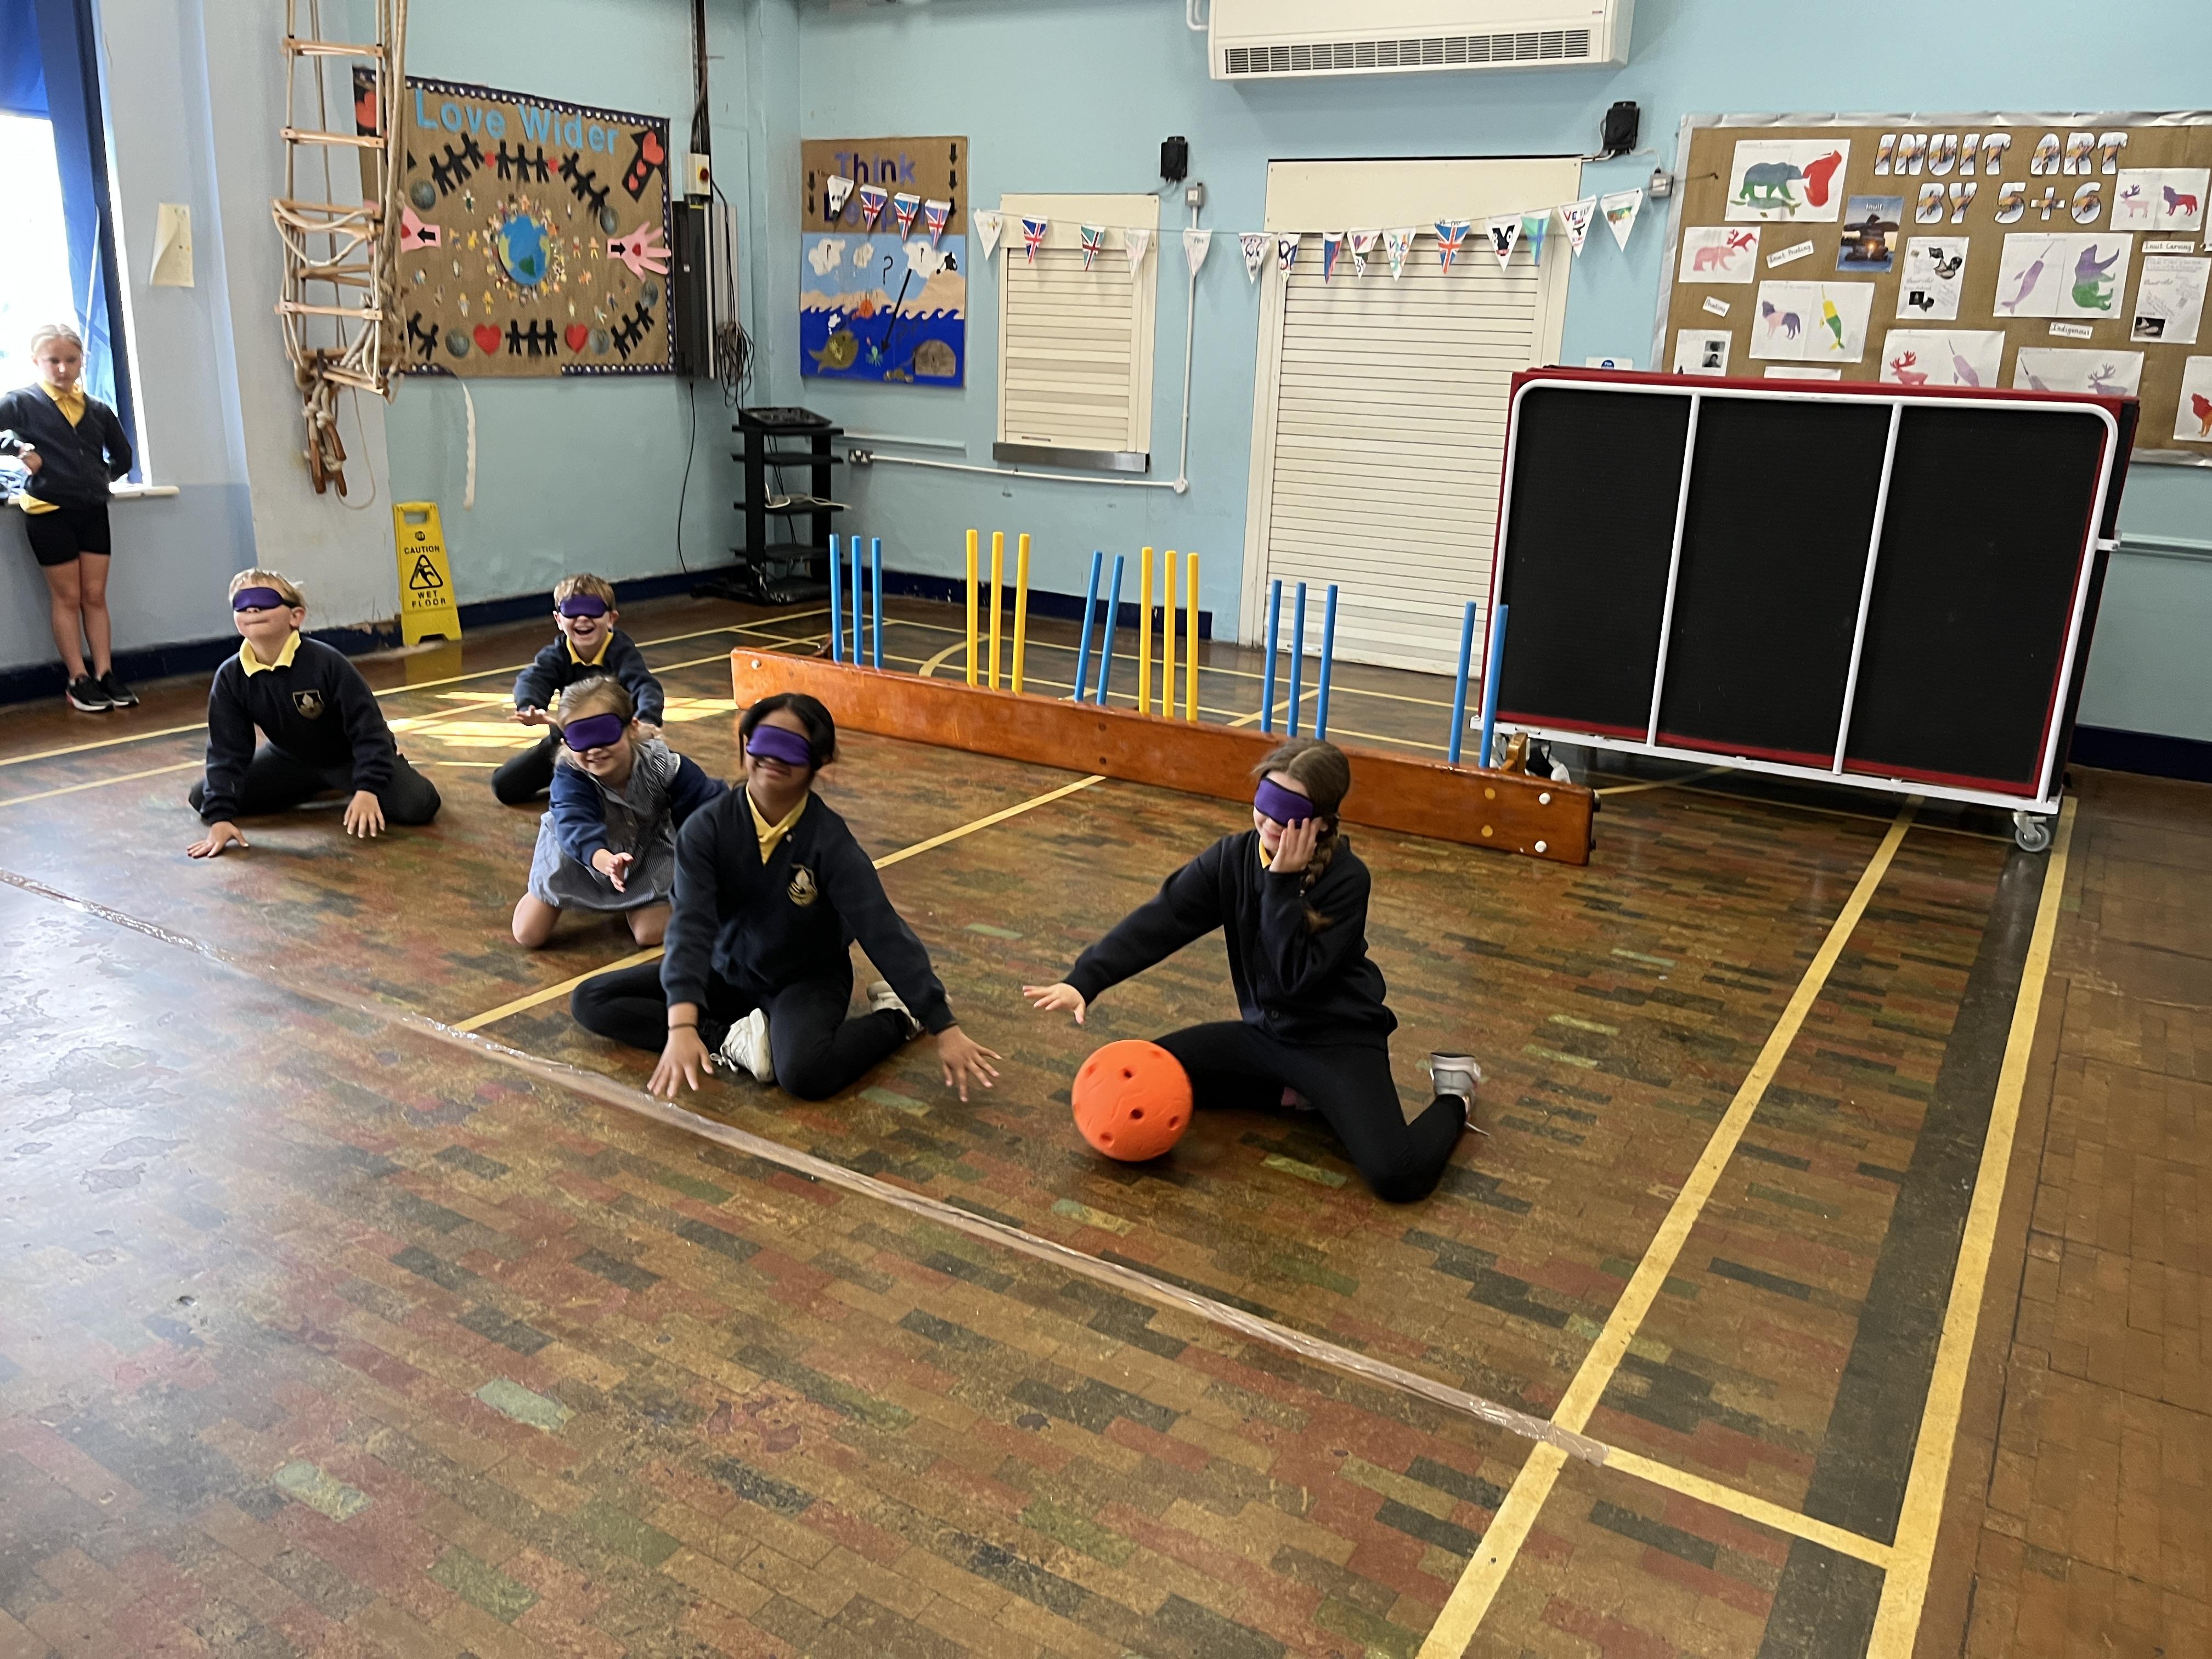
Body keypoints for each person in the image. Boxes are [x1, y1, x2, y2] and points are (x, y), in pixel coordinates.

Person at [1023, 738, 1480, 1203]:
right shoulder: (1232, 858)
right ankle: (1299, 1095)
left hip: (1336, 1044)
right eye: (1265, 804)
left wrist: (1281, 883)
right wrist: (1085, 981)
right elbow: (1164, 918)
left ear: (1322, 823)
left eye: (1288, 813)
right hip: (1265, 1036)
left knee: (1397, 1176)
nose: (1270, 821)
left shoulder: (1347, 879)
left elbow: (1293, 979)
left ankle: (1455, 1092)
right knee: (1151, 1075)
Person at [571, 692, 1001, 1103]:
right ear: (745, 746)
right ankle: (730, 1038)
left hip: (805, 979)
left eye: (791, 748)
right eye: (764, 743)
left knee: (804, 1074)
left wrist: (943, 1023)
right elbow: (690, 929)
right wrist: (682, 1025)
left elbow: (882, 929)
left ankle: (898, 1017)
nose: (773, 758)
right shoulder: (707, 829)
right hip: (727, 970)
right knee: (592, 1000)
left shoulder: (830, 842)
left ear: (820, 762)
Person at [185, 569, 442, 856]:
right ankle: (316, 783)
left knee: (419, 804)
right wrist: (221, 817)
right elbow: (226, 749)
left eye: (263, 601)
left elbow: (370, 730)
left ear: (295, 616)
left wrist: (368, 788)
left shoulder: (327, 663)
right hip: (290, 760)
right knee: (203, 798)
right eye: (242, 605)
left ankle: (344, 781)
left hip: (349, 759)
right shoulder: (231, 677)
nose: (252, 610)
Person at [512, 674, 723, 949]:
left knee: (650, 934)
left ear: (632, 728)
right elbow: (574, 822)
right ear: (566, 743)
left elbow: (707, 807)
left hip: (643, 855)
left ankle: (637, 902)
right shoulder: (571, 775)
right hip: (579, 858)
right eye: (580, 737)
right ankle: (546, 892)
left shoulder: (662, 765)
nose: (594, 748)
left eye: (605, 732)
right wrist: (604, 860)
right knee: (527, 934)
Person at [0, 323, 137, 712]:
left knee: (95, 596)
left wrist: (97, 479)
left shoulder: (97, 409)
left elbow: (123, 457)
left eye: (71, 360)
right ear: (36, 362)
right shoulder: (21, 402)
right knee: (68, 597)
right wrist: (19, 449)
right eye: (53, 361)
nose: (62, 369)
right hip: (48, 512)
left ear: (82, 361)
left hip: (91, 510)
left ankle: (105, 673)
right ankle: (78, 678)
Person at [494, 574, 663, 805]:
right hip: (570, 742)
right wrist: (530, 705)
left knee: (650, 791)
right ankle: (577, 781)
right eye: (572, 611)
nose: (583, 618)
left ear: (611, 618)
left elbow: (645, 686)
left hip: (615, 744)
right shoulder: (557, 655)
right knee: (505, 786)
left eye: (593, 610)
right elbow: (533, 678)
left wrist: (647, 719)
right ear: (559, 619)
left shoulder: (623, 654)